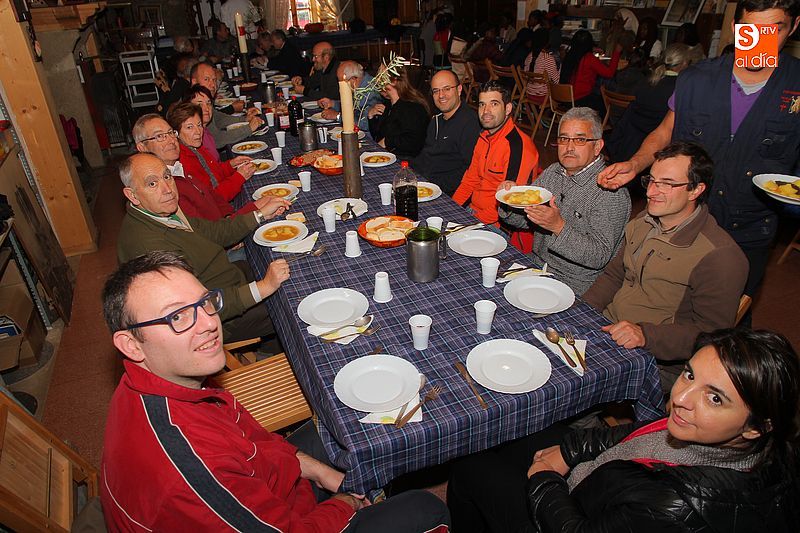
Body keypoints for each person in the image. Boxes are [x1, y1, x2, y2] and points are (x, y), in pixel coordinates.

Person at [100, 251, 452, 532]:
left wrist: (325, 474)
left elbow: (254, 443)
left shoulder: (166, 383)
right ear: (131, 345)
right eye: (177, 317)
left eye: (204, 302)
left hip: (264, 494)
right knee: (426, 509)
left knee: (345, 426)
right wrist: (344, 504)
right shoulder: (191, 467)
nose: (208, 323)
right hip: (278, 519)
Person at [447, 327, 800, 532]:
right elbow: (629, 435)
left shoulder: (678, 507)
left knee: (469, 466)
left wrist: (544, 479)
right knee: (514, 431)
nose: (680, 398)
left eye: (715, 398)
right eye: (690, 374)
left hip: (575, 512)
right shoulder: (709, 433)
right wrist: (567, 452)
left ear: (756, 428)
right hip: (601, 479)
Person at [598, 0, 800, 298]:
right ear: (735, 27)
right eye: (751, 30)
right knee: (667, 302)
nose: (759, 40)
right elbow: (665, 131)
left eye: (773, 30)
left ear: (793, 27)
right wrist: (636, 163)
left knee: (729, 312)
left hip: (750, 227)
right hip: (689, 217)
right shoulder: (697, 79)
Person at [584, 141, 748, 388]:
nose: (651, 192)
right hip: (610, 329)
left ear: (696, 190)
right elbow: (613, 276)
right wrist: (582, 312)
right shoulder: (645, 220)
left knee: (560, 386)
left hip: (655, 360)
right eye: (651, 180)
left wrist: (645, 335)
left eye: (667, 184)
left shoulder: (721, 257)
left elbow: (711, 336)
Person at [116, 153, 290, 342]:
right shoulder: (149, 247)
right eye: (152, 184)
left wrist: (259, 215)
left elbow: (215, 232)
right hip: (221, 318)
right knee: (290, 304)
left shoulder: (162, 211)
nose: (167, 189)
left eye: (167, 177)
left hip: (228, 278)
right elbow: (195, 307)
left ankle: (271, 346)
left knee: (288, 265)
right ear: (132, 195)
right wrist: (263, 287)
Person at [498, 108, 630, 295]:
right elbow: (522, 221)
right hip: (535, 265)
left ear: (597, 146)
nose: (569, 147)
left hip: (573, 284)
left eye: (580, 140)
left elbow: (599, 256)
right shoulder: (554, 172)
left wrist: (558, 226)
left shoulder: (610, 191)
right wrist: (511, 200)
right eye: (564, 139)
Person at [132, 113, 259, 223]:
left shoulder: (178, 168)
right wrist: (252, 212)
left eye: (170, 133)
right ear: (142, 147)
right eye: (159, 136)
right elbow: (207, 232)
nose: (171, 140)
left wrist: (230, 215)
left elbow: (212, 197)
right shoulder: (165, 187)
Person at [452, 81, 539, 228]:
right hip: (473, 212)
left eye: (494, 104)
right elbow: (470, 181)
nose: (486, 111)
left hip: (498, 224)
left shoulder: (517, 146)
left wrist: (468, 223)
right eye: (482, 104)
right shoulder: (484, 137)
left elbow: (510, 203)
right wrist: (452, 209)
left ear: (508, 108)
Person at [606, 43, 702, 163]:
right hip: (660, 153)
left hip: (629, 147)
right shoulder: (683, 89)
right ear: (685, 63)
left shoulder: (646, 82)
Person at [412, 70, 482, 196]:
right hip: (426, 184)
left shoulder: (470, 123)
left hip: (448, 193)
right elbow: (426, 156)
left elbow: (469, 171)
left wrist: (432, 186)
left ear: (459, 90)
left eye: (447, 89)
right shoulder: (436, 120)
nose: (441, 95)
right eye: (436, 91)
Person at [166, 103, 254, 202]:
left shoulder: (195, 147)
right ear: (176, 133)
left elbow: (214, 173)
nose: (198, 132)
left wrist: (231, 165)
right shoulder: (183, 162)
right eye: (189, 127)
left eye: (199, 125)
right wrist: (239, 177)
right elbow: (213, 199)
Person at [189, 61, 263, 147]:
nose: (212, 85)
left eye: (214, 80)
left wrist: (245, 119)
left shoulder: (203, 99)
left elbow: (219, 118)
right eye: (206, 79)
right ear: (194, 82)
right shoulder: (192, 107)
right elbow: (216, 140)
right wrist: (248, 128)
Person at [367, 66, 430, 158]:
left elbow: (415, 142)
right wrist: (371, 117)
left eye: (381, 76)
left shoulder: (413, 107)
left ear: (394, 81)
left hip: (407, 160)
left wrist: (388, 141)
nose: (377, 79)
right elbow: (378, 138)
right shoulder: (388, 104)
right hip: (388, 156)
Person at [560, 29, 622, 115]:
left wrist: (592, 49)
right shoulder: (589, 58)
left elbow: (580, 49)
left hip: (564, 98)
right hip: (579, 100)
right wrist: (617, 52)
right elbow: (610, 73)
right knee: (606, 102)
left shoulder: (570, 55)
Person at [318, 61, 382, 134]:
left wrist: (338, 116)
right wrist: (332, 103)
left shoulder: (371, 92)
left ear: (353, 79)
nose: (340, 87)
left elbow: (365, 124)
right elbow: (351, 107)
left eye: (342, 82)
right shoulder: (359, 84)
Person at [522, 29, 560, 106]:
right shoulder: (547, 58)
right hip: (543, 96)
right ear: (547, 42)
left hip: (529, 94)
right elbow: (557, 81)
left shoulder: (529, 57)